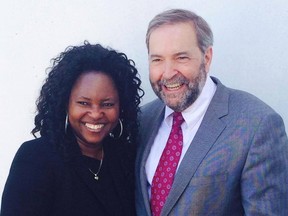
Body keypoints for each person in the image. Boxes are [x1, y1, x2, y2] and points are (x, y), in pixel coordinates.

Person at [135, 9, 288, 216]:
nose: (168, 73)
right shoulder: (142, 119)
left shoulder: (258, 125)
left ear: (206, 58)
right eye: (157, 60)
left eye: (181, 57)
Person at [1, 42, 144, 216]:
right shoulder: (36, 158)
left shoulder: (125, 157)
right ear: (65, 104)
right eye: (84, 103)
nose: (96, 113)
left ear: (121, 106)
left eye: (107, 104)